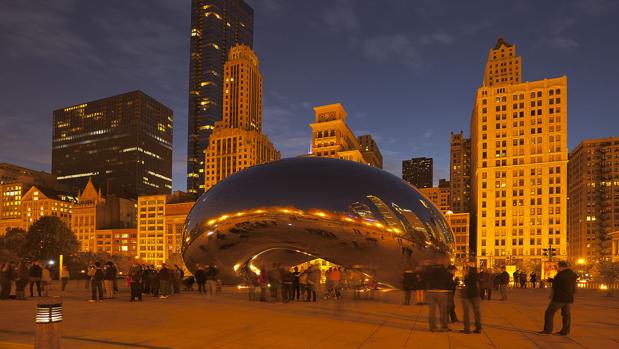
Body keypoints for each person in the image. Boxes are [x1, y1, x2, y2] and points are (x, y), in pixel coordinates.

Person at [539, 261, 578, 336]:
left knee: (549, 312)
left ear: (561, 267)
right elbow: (568, 283)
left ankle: (548, 330)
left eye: (557, 266)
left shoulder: (561, 274)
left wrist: (552, 290)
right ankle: (565, 331)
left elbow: (558, 284)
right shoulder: (572, 274)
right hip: (569, 298)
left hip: (560, 297)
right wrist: (552, 280)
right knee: (566, 315)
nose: (556, 268)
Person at [425, 264, 452, 332]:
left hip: (431, 292)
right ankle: (444, 327)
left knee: (432, 311)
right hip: (442, 292)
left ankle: (433, 327)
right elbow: (449, 283)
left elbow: (426, 280)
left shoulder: (430, 272)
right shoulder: (445, 273)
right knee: (443, 311)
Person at [461, 266, 482, 334]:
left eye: (468, 269)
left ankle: (467, 329)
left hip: (467, 296)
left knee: (466, 313)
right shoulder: (477, 277)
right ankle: (478, 328)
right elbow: (478, 286)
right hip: (476, 296)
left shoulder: (467, 277)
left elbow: (465, 285)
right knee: (477, 312)